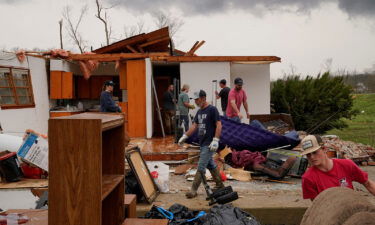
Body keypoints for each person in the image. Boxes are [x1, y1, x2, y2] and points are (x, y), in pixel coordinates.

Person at [178, 90, 224, 199]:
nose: (196, 102)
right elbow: (194, 126)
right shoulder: (199, 112)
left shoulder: (212, 109)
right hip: (202, 143)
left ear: (203, 98)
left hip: (209, 143)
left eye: (197, 99)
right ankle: (220, 185)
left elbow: (219, 124)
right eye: (195, 100)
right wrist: (185, 136)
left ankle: (193, 190)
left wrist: (216, 140)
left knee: (201, 166)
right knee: (210, 164)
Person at [301, 135, 375, 200]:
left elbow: (368, 184)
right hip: (330, 212)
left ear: (324, 149)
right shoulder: (308, 178)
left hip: (352, 208)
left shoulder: (346, 165)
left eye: (314, 152)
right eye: (308, 154)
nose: (312, 157)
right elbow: (317, 205)